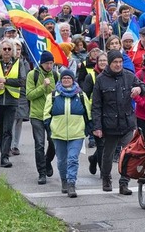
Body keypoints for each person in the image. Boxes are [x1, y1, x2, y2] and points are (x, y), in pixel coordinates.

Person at [91, 50, 145, 195]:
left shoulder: (129, 76)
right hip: (109, 125)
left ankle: (124, 183)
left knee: (128, 155)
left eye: (120, 62)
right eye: (115, 62)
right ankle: (106, 178)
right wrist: (97, 126)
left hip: (127, 124)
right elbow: (96, 105)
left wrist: (139, 88)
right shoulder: (101, 80)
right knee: (108, 155)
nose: (118, 65)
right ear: (109, 63)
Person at [0, 38, 27, 168]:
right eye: (5, 49)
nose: (7, 51)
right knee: (0, 129)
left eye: (9, 49)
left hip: (11, 101)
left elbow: (22, 81)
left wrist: (6, 81)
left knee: (8, 130)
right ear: (0, 51)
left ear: (13, 51)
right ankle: (4, 152)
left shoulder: (18, 64)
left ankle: (5, 157)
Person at [49, 68, 90, 198]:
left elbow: (88, 115)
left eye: (69, 78)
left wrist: (87, 129)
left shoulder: (81, 95)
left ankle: (72, 183)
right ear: (61, 80)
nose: (66, 80)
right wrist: (50, 128)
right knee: (61, 161)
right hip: (58, 133)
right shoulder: (53, 95)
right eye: (64, 78)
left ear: (73, 80)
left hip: (76, 134)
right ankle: (64, 180)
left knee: (72, 159)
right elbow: (46, 115)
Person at [26, 51, 58, 185]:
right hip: (37, 115)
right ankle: (42, 173)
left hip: (51, 115)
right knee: (39, 144)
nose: (49, 66)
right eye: (47, 63)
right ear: (41, 63)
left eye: (51, 63)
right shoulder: (33, 75)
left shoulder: (56, 75)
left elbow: (60, 92)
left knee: (54, 143)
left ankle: (47, 161)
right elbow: (29, 95)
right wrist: (42, 87)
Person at [84, 51, 108, 175]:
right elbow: (85, 96)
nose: (103, 63)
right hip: (96, 114)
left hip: (110, 114)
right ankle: (104, 173)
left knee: (106, 144)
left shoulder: (113, 75)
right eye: (101, 61)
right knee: (101, 144)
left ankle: (93, 158)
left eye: (105, 60)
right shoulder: (91, 76)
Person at [11, 40, 31, 156]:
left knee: (19, 120)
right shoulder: (8, 63)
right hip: (10, 94)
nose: (17, 52)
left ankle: (15, 145)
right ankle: (8, 144)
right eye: (15, 49)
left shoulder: (25, 62)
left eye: (19, 49)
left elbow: (26, 78)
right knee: (10, 120)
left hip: (22, 95)